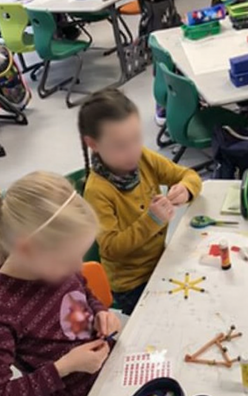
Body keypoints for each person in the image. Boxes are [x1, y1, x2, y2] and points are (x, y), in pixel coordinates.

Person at [0, 172, 121, 396]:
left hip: (110, 373)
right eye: (69, 259)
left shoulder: (54, 264)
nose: (77, 266)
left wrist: (100, 312)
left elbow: (82, 291)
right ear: (27, 249)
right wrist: (64, 367)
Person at [78, 89, 202, 316]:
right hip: (131, 284)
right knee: (173, 317)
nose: (132, 151)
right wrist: (152, 220)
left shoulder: (142, 158)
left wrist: (186, 189)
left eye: (136, 139)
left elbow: (188, 175)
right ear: (93, 144)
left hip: (162, 260)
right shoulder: (97, 191)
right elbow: (111, 248)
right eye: (120, 146)